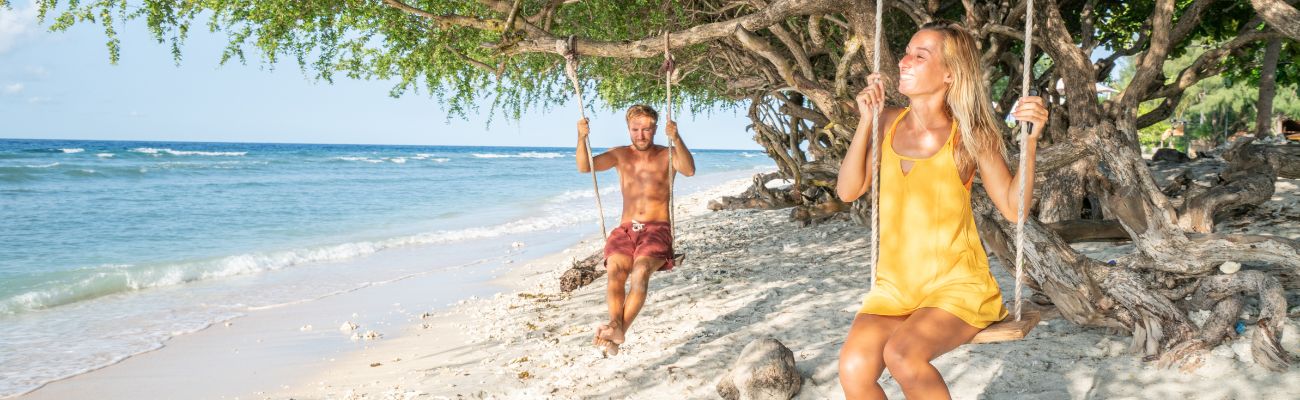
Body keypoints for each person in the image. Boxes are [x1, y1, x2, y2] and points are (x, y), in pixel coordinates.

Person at [835, 20, 1049, 399]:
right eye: (907, 52)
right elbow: (849, 191)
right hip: (895, 287)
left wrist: (1029, 144)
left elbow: (1014, 211)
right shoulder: (886, 121)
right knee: (853, 370)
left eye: (920, 55)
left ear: (949, 73)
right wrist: (867, 119)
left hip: (956, 287)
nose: (904, 61)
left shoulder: (970, 134)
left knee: (903, 356)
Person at [576, 104, 696, 355]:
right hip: (626, 230)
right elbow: (585, 166)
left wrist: (676, 137)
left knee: (640, 272)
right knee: (616, 272)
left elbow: (689, 170)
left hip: (656, 229)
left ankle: (619, 328)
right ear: (628, 129)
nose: (641, 135)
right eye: (635, 129)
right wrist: (581, 136)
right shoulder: (620, 155)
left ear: (655, 129)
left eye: (647, 129)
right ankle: (615, 328)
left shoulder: (669, 154)